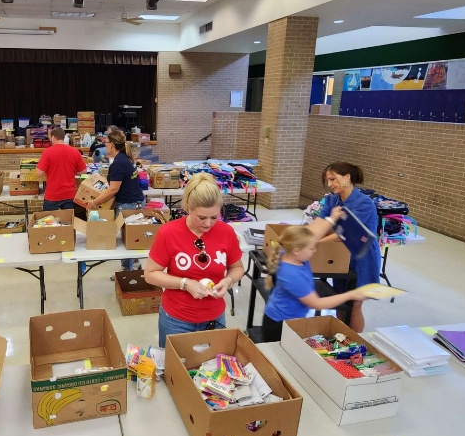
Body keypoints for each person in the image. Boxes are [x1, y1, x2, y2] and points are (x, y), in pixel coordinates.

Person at [144, 173, 244, 347]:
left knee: (212, 370)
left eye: (214, 217)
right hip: (176, 321)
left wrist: (228, 280)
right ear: (188, 207)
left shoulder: (226, 232)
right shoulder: (169, 233)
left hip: (214, 318)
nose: (208, 224)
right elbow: (150, 274)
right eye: (202, 218)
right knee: (174, 369)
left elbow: (238, 268)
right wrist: (185, 283)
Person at [307, 162, 382, 333]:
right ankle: (342, 338)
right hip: (340, 256)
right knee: (340, 301)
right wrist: (303, 237)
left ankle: (353, 341)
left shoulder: (364, 203)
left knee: (354, 305)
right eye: (327, 180)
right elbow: (321, 223)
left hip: (361, 259)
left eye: (333, 179)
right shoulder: (333, 199)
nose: (330, 184)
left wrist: (313, 243)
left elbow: (344, 234)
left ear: (347, 177)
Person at [260, 226, 368, 342]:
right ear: (297, 250)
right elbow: (317, 303)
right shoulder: (291, 275)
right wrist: (350, 295)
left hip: (290, 320)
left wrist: (336, 227)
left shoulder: (292, 254)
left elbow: (311, 240)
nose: (315, 250)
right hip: (278, 325)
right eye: (311, 249)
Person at [87, 130, 145, 272]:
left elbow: (113, 190)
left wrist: (94, 203)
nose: (104, 145)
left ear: (112, 144)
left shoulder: (118, 163)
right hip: (134, 201)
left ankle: (127, 271)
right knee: (131, 236)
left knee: (126, 237)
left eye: (106, 142)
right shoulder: (124, 159)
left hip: (129, 204)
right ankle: (135, 264)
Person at [36, 126, 86, 211]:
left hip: (52, 194)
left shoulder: (47, 152)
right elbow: (83, 171)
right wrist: (73, 171)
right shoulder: (75, 152)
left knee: (48, 222)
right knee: (69, 222)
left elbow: (39, 173)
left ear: (53, 137)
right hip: (69, 194)